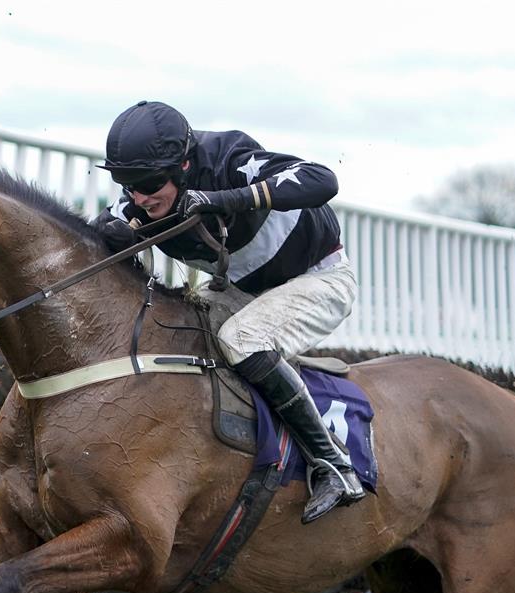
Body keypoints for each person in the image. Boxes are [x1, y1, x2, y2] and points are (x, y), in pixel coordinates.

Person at [94, 100, 362, 523]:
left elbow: (322, 179)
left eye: (147, 182)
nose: (139, 197)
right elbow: (101, 230)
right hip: (241, 293)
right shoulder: (139, 198)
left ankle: (333, 464)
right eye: (127, 184)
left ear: (183, 164)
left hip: (319, 280)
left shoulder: (231, 159)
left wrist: (220, 200)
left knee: (242, 338)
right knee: (175, 329)